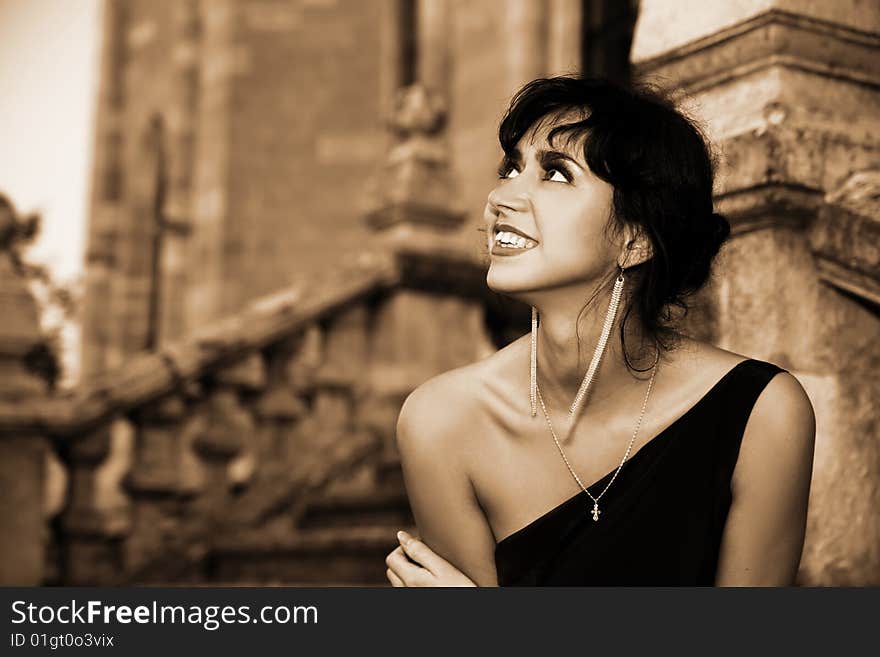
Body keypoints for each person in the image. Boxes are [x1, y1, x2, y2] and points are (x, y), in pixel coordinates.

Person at [384, 75, 816, 586]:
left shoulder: (764, 415)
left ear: (636, 240)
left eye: (557, 174)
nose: (501, 197)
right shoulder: (441, 423)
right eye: (511, 168)